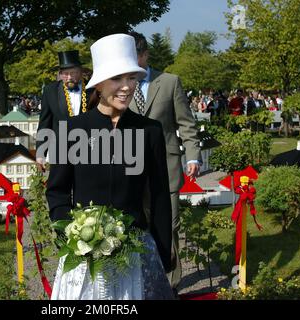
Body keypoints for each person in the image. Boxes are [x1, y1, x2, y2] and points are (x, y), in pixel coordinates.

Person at [46, 33, 174, 300]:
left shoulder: (149, 130)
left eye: (132, 77)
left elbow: (160, 197)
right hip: (84, 260)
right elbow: (57, 192)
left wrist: (162, 254)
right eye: (117, 78)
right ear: (99, 84)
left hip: (137, 255)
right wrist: (71, 236)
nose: (127, 86)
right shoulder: (69, 130)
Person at [128, 32, 201, 294]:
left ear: (146, 55)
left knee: (169, 228)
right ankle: (143, 282)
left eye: (136, 56)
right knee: (138, 228)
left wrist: (192, 155)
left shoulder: (169, 82)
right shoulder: (120, 85)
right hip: (132, 170)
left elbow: (187, 124)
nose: (132, 62)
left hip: (167, 169)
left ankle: (171, 286)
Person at [36, 50, 94, 171]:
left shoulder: (93, 90)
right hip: (60, 154)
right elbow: (45, 124)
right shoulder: (50, 91)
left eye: (73, 73)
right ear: (60, 74)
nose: (69, 77)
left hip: (88, 153)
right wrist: (41, 153)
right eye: (65, 74)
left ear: (80, 72)